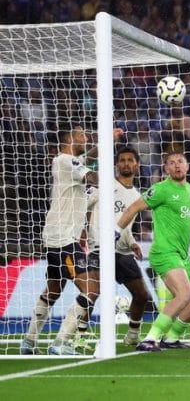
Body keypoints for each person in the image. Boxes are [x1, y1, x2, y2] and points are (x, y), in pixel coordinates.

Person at [116, 152, 190, 351]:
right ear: (166, 169)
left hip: (181, 255)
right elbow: (133, 208)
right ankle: (150, 338)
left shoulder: (188, 189)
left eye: (180, 162)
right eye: (171, 163)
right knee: (184, 295)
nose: (176, 165)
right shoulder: (160, 189)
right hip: (164, 252)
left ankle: (171, 337)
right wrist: (116, 232)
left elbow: (187, 219)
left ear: (187, 167)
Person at [57, 147, 153, 352]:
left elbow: (124, 225)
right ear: (116, 164)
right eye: (122, 160)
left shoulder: (137, 196)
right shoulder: (104, 186)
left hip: (123, 251)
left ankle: (132, 335)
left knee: (142, 295)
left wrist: (132, 242)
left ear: (137, 165)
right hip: (100, 248)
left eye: (130, 160)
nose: (126, 163)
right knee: (91, 293)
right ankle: (74, 338)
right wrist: (80, 230)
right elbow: (81, 205)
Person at [21, 124, 99, 355]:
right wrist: (106, 179)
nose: (86, 138)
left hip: (55, 237)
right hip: (64, 239)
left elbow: (87, 158)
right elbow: (91, 176)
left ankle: (29, 342)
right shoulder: (66, 161)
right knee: (91, 289)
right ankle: (60, 342)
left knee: (53, 290)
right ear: (69, 139)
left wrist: (108, 142)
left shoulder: (67, 162)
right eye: (81, 134)